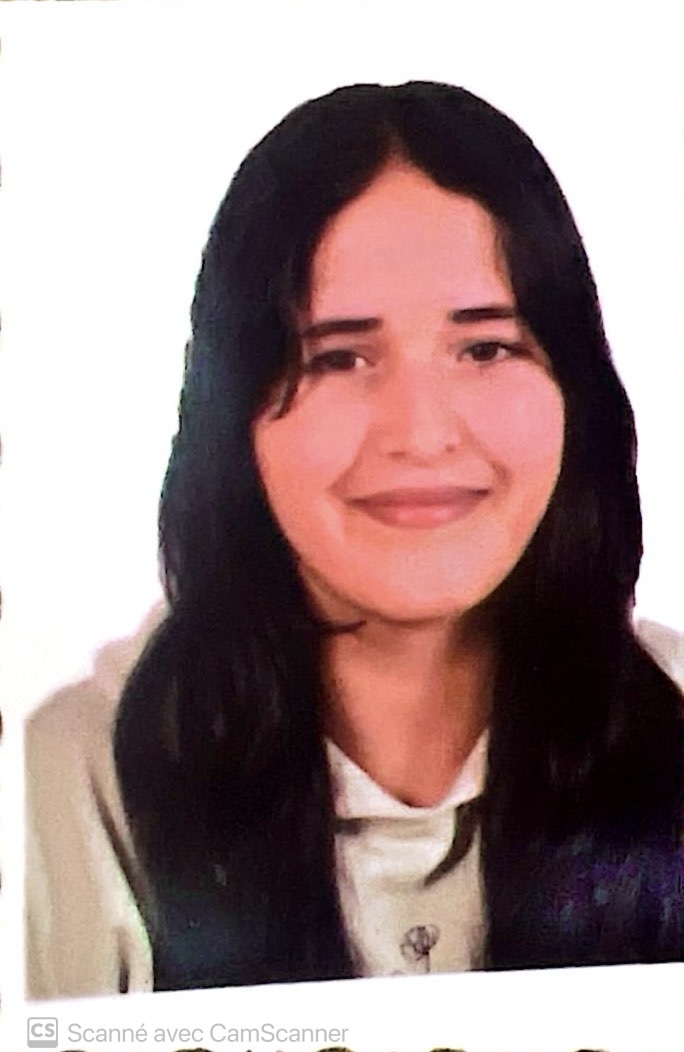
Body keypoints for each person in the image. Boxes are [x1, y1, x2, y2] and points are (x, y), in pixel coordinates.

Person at [26, 81, 684, 999]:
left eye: (486, 348)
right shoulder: (67, 779)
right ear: (231, 416)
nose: (420, 433)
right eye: (338, 357)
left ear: (576, 392)